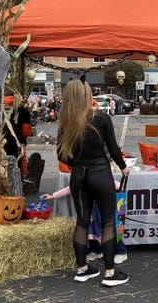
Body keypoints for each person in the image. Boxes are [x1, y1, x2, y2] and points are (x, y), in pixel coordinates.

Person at [57, 79, 130, 286]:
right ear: (87, 97)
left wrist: (77, 163)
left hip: (79, 176)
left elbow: (61, 156)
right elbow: (114, 149)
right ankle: (109, 273)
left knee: (82, 220)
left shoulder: (66, 122)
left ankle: (82, 269)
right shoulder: (102, 118)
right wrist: (124, 167)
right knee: (108, 221)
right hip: (100, 173)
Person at [40, 184, 128, 264]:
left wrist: (118, 187)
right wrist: (53, 195)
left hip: (103, 208)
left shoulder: (99, 172)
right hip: (90, 209)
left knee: (108, 230)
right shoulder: (82, 176)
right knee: (91, 230)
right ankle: (96, 250)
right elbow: (70, 188)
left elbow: (114, 182)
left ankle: (121, 251)